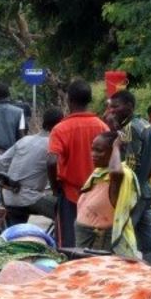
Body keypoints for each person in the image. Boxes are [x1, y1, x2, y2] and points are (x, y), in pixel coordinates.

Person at [105, 89, 151, 267]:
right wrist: (145, 175)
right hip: (146, 192)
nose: (112, 111)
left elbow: (129, 166)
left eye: (116, 107)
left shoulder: (130, 128)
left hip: (131, 196)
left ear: (129, 106)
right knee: (149, 245)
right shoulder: (145, 125)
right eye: (111, 107)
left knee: (121, 242)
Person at [47, 80, 109, 248]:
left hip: (70, 195)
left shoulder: (61, 129)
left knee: (69, 244)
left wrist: (54, 188)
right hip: (98, 195)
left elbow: (51, 161)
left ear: (69, 100)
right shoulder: (103, 127)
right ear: (89, 100)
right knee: (96, 246)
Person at [75, 131, 139, 256]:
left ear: (115, 153)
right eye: (92, 149)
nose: (93, 154)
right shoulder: (99, 172)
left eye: (99, 151)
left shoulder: (120, 174)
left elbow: (116, 172)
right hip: (86, 238)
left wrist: (116, 146)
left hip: (100, 241)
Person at [0, 107, 63, 226]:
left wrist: (11, 181)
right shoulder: (52, 144)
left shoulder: (25, 140)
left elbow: (2, 161)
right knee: (65, 211)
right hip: (30, 198)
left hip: (8, 197)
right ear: (59, 124)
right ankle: (59, 243)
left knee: (16, 234)